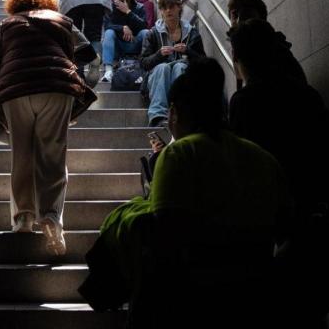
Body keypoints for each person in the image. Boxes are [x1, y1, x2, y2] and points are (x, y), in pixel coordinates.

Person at [79, 58, 290, 327]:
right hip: (254, 287)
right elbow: (284, 223)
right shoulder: (261, 157)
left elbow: (166, 229)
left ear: (174, 113)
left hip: (192, 292)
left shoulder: (179, 153)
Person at [228, 18, 329, 324]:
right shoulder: (304, 93)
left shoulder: (245, 102)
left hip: (285, 228)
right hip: (322, 223)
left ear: (237, 58)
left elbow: (244, 167)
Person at [0, 0, 96, 256]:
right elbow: (90, 54)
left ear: (15, 3)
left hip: (16, 90)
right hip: (57, 88)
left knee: (21, 154)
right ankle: (52, 218)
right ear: (46, 1)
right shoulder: (62, 21)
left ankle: (23, 218)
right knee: (52, 154)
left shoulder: (8, 24)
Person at [139, 0, 205, 127]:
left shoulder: (191, 33)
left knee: (180, 66)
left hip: (183, 75)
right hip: (158, 78)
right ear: (161, 11)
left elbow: (204, 63)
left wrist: (188, 51)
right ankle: (158, 115)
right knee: (162, 67)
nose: (168, 11)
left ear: (179, 8)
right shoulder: (152, 33)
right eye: (164, 8)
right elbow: (144, 63)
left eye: (171, 7)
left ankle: (181, 113)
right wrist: (159, 55)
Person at [227, 0, 306, 85]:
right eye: (235, 15)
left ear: (261, 19)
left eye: (246, 14)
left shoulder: (278, 51)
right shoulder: (240, 49)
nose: (239, 20)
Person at [100, 0, 149, 82]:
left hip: (135, 43)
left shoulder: (140, 7)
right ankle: (108, 71)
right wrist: (123, 27)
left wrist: (128, 12)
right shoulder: (111, 6)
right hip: (119, 45)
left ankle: (146, 69)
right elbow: (107, 25)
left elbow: (144, 25)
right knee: (109, 32)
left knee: (145, 32)